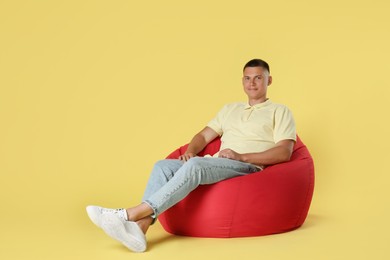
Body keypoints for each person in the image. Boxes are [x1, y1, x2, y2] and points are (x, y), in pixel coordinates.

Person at [86, 58, 296, 253]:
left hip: (248, 166)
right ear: (242, 81)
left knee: (196, 166)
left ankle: (127, 215)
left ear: (269, 80)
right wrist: (190, 151)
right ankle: (140, 230)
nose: (252, 83)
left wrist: (241, 157)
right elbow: (203, 136)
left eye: (258, 78)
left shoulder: (280, 111)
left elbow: (284, 152)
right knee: (162, 166)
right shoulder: (230, 109)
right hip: (217, 162)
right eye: (247, 78)